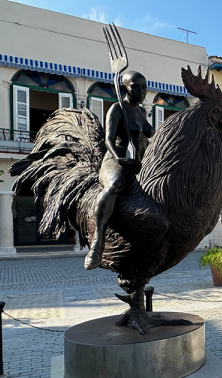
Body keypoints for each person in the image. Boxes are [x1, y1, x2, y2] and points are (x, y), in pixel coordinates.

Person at [84, 70, 155, 270]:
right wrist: (120, 159)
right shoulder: (117, 108)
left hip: (139, 160)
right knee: (114, 184)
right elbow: (108, 139)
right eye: (136, 86)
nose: (141, 91)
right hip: (116, 157)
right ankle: (97, 243)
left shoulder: (141, 112)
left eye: (144, 87)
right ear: (125, 87)